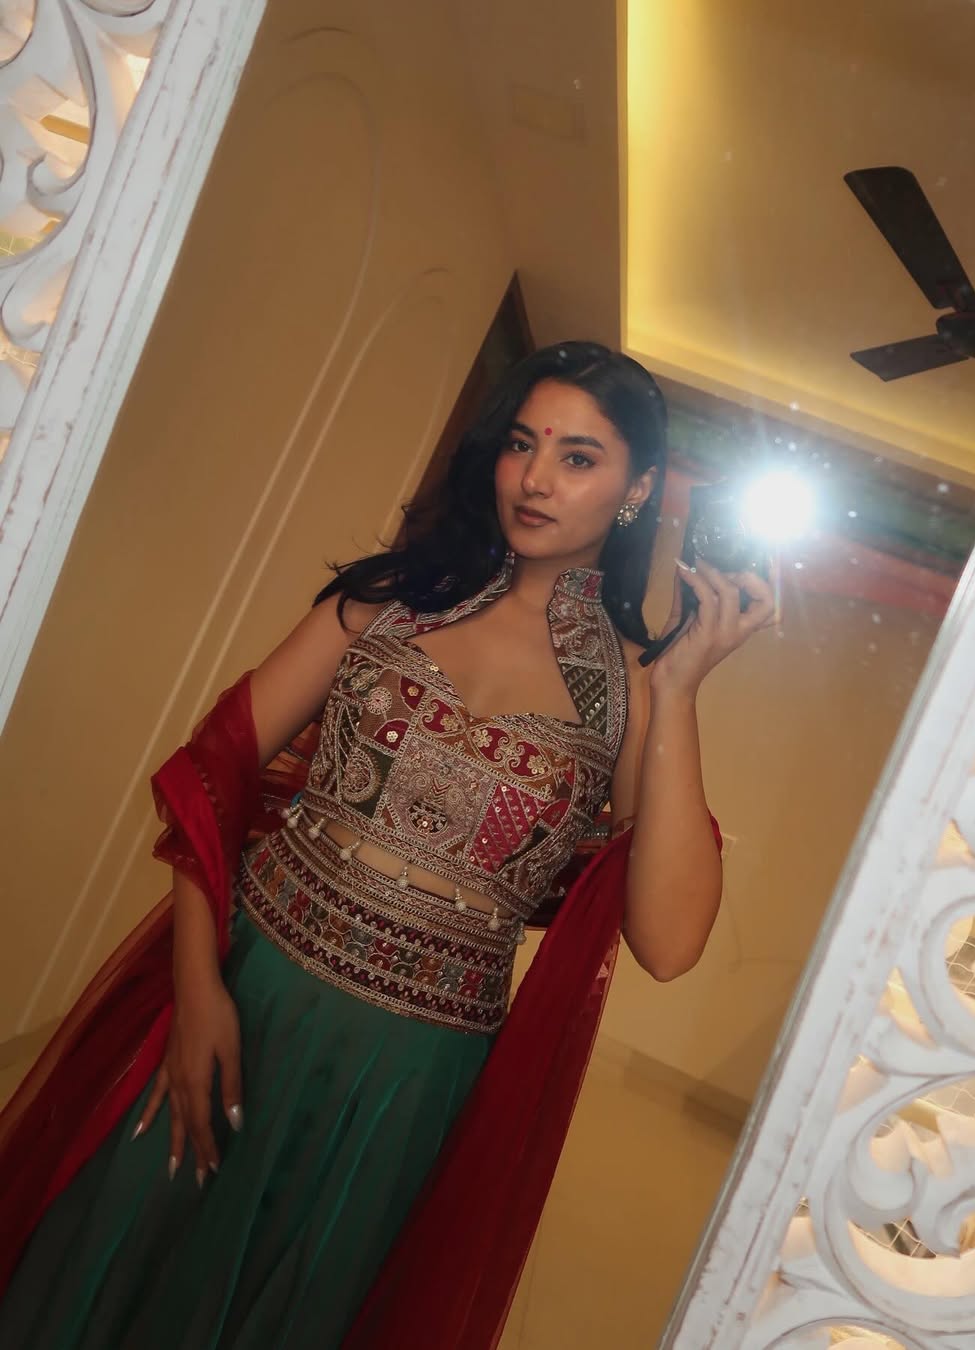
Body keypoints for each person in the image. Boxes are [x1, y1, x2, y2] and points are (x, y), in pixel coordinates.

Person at [0, 341, 775, 1349]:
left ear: (638, 490)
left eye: (579, 457)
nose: (535, 478)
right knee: (118, 1260)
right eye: (522, 445)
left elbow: (669, 942)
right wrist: (198, 991)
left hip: (406, 1072)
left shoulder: (636, 692)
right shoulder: (393, 601)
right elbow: (212, 771)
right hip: (247, 988)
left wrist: (679, 689)